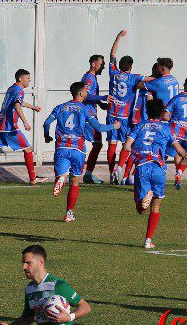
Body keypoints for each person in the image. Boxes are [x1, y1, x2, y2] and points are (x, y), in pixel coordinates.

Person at [44, 82, 119, 222]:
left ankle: (61, 178)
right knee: (75, 182)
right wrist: (114, 126)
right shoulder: (85, 109)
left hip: (62, 147)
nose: (87, 93)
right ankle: (68, 213)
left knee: (61, 174)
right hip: (77, 148)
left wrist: (46, 136)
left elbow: (47, 123)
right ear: (80, 93)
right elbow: (99, 127)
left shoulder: (60, 107)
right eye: (85, 91)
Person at [121, 97, 187, 249]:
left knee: (139, 209)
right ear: (161, 113)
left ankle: (144, 200)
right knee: (156, 206)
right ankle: (148, 240)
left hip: (142, 167)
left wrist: (138, 153)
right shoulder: (166, 129)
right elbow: (180, 151)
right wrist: (186, 157)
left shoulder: (139, 126)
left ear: (147, 111)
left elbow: (126, 147)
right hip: (159, 168)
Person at [0, 69, 43, 186]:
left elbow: (17, 102)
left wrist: (33, 107)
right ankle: (33, 178)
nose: (29, 81)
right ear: (21, 79)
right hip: (10, 127)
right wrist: (25, 122)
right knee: (28, 149)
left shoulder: (12, 88)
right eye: (28, 78)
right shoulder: (19, 90)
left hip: (0, 125)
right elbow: (17, 105)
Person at [105, 31, 150, 184]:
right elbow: (150, 79)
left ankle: (112, 174)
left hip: (112, 114)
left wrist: (118, 37)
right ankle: (122, 170)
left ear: (120, 65)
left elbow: (112, 54)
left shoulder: (113, 73)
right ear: (131, 66)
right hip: (125, 117)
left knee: (112, 144)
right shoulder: (134, 77)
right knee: (129, 144)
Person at [80, 54, 107, 185]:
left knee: (94, 144)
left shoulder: (91, 77)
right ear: (93, 64)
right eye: (101, 64)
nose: (103, 67)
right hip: (88, 116)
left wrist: (102, 105)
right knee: (96, 144)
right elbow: (85, 96)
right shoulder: (90, 78)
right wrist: (102, 98)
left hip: (88, 114)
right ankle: (85, 174)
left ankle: (83, 174)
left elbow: (92, 96)